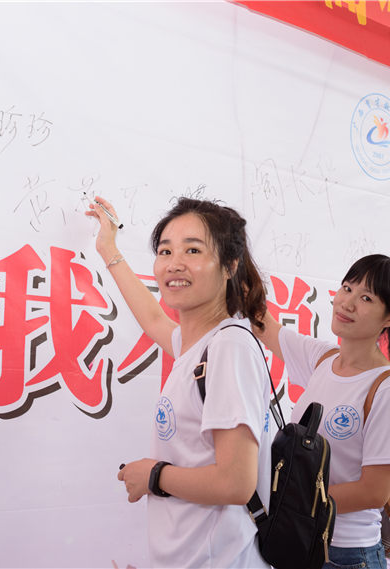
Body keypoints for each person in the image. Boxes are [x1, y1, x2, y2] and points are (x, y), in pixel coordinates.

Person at [87, 196, 272, 569]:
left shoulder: (229, 348)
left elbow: (236, 483)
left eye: (193, 250)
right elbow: (154, 320)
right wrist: (108, 248)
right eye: (165, 251)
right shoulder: (199, 344)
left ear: (229, 266)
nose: (174, 264)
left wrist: (154, 476)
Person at [255, 254, 390, 569]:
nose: (347, 303)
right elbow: (263, 325)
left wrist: (295, 501)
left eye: (366, 298)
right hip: (298, 541)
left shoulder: (388, 390)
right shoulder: (323, 358)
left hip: (346, 556)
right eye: (347, 288)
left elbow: (374, 492)